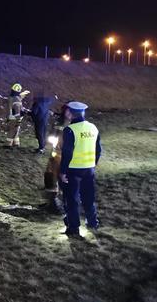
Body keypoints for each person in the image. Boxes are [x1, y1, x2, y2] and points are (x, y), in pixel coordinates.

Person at [59, 101, 102, 236]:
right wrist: (93, 163)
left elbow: (67, 153)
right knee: (88, 197)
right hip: (89, 169)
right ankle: (93, 223)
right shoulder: (93, 127)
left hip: (73, 170)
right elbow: (98, 149)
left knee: (71, 199)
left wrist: (62, 171)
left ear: (71, 114)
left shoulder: (70, 130)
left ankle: (73, 228)